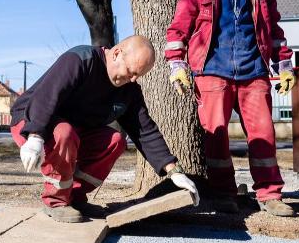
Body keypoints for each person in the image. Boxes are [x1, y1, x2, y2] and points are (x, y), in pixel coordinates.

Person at [165, 0, 295, 217]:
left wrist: (284, 66)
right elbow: (177, 31)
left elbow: (274, 33)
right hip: (211, 71)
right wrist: (176, 65)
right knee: (217, 136)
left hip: (254, 71)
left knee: (264, 134)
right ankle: (224, 194)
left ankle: (270, 194)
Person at [10, 36, 199, 223]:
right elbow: (46, 97)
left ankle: (74, 197)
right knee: (64, 132)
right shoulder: (80, 60)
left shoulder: (129, 90)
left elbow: (145, 131)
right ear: (116, 53)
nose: (132, 79)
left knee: (115, 141)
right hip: (31, 120)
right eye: (130, 71)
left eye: (138, 76)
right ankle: (56, 201)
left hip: (71, 133)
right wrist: (35, 136)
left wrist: (174, 171)